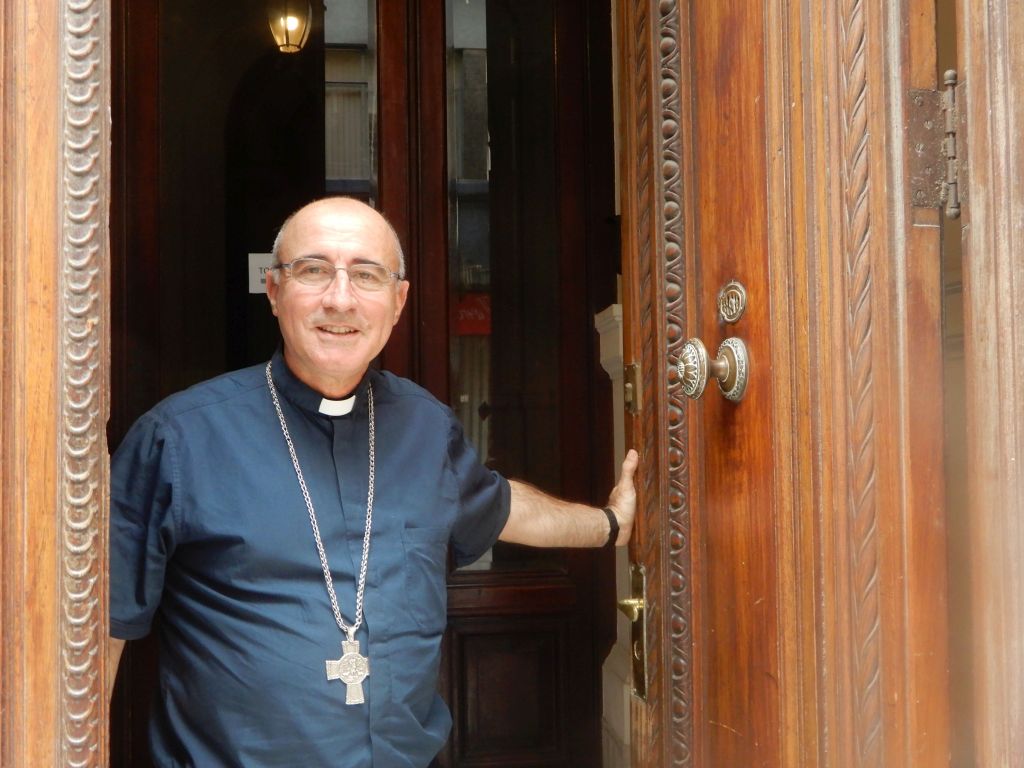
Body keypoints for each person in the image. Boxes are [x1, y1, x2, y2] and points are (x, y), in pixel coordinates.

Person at [108, 196, 639, 768]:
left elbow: (502, 507)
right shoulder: (178, 439)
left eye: (366, 275)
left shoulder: (427, 428)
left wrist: (609, 524)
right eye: (313, 270)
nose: (340, 298)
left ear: (398, 301)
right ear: (274, 290)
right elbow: (101, 629)